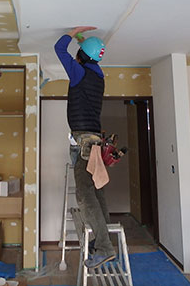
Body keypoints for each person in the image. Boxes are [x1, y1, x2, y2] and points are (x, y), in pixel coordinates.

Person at [54, 26, 116, 268]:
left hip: (85, 143)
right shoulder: (98, 75)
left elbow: (59, 49)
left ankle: (104, 247)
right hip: (94, 141)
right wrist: (83, 42)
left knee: (84, 194)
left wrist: (74, 32)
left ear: (80, 57)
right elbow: (87, 57)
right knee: (97, 192)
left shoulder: (79, 73)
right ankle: (103, 242)